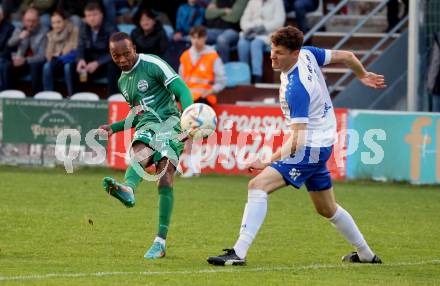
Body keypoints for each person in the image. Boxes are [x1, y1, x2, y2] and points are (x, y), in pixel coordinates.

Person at [207, 26, 385, 266]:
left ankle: (238, 253)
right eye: (272, 50)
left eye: (279, 53)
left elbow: (298, 141)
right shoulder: (309, 54)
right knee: (327, 209)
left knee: (257, 185)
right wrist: (361, 74)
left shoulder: (297, 88)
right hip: (321, 143)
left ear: (295, 53)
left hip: (310, 147)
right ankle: (366, 254)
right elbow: (348, 57)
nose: (272, 56)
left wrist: (266, 160)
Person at [98, 32, 194, 259]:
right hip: (148, 124)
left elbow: (183, 90)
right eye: (115, 56)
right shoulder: (122, 81)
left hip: (172, 123)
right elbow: (137, 113)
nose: (122, 60)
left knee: (165, 178)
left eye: (126, 53)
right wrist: (114, 127)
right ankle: (128, 189)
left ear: (134, 47)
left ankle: (160, 242)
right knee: (141, 150)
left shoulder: (152, 64)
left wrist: (190, 117)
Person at [179, 25, 225, 178]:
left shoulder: (213, 56)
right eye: (193, 37)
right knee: (184, 133)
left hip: (205, 99)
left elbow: (222, 81)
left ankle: (192, 166)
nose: (196, 40)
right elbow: (180, 80)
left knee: (192, 132)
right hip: (188, 99)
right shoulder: (185, 56)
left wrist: (210, 91)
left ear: (205, 38)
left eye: (199, 37)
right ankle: (186, 165)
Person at [66, 1, 119, 96]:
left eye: (94, 15)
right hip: (90, 63)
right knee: (72, 65)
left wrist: (98, 63)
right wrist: (80, 59)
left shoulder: (111, 28)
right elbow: (80, 46)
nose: (92, 18)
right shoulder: (84, 27)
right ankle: (74, 98)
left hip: (104, 64)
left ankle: (112, 98)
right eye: (89, 16)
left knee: (112, 65)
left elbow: (116, 52)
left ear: (101, 15)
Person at [238, 0, 285, 83]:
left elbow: (279, 21)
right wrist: (252, 28)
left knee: (255, 44)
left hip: (268, 33)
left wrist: (264, 27)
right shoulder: (252, 1)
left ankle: (257, 77)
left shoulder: (278, 1)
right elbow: (243, 21)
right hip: (251, 32)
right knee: (242, 44)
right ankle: (244, 75)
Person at [4, 7, 48, 95]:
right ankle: (10, 97)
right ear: (23, 20)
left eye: (33, 21)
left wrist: (25, 60)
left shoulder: (44, 31)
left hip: (35, 62)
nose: (31, 24)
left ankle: (37, 97)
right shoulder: (19, 28)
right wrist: (20, 37)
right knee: (7, 66)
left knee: (34, 66)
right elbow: (10, 43)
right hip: (21, 61)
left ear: (38, 21)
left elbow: (42, 56)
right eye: (28, 21)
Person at [42, 10, 79, 95]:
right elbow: (48, 56)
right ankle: (48, 96)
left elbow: (74, 46)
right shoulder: (50, 35)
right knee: (46, 66)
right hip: (57, 63)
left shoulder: (73, 30)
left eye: (59, 22)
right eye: (53, 23)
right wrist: (52, 44)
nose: (56, 25)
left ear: (65, 21)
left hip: (69, 61)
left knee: (67, 66)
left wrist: (60, 53)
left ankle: (72, 95)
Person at [0, 5, 15, 91]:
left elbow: (8, 49)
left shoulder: (9, 28)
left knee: (2, 65)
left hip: (5, 57)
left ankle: (3, 94)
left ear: (2, 16)